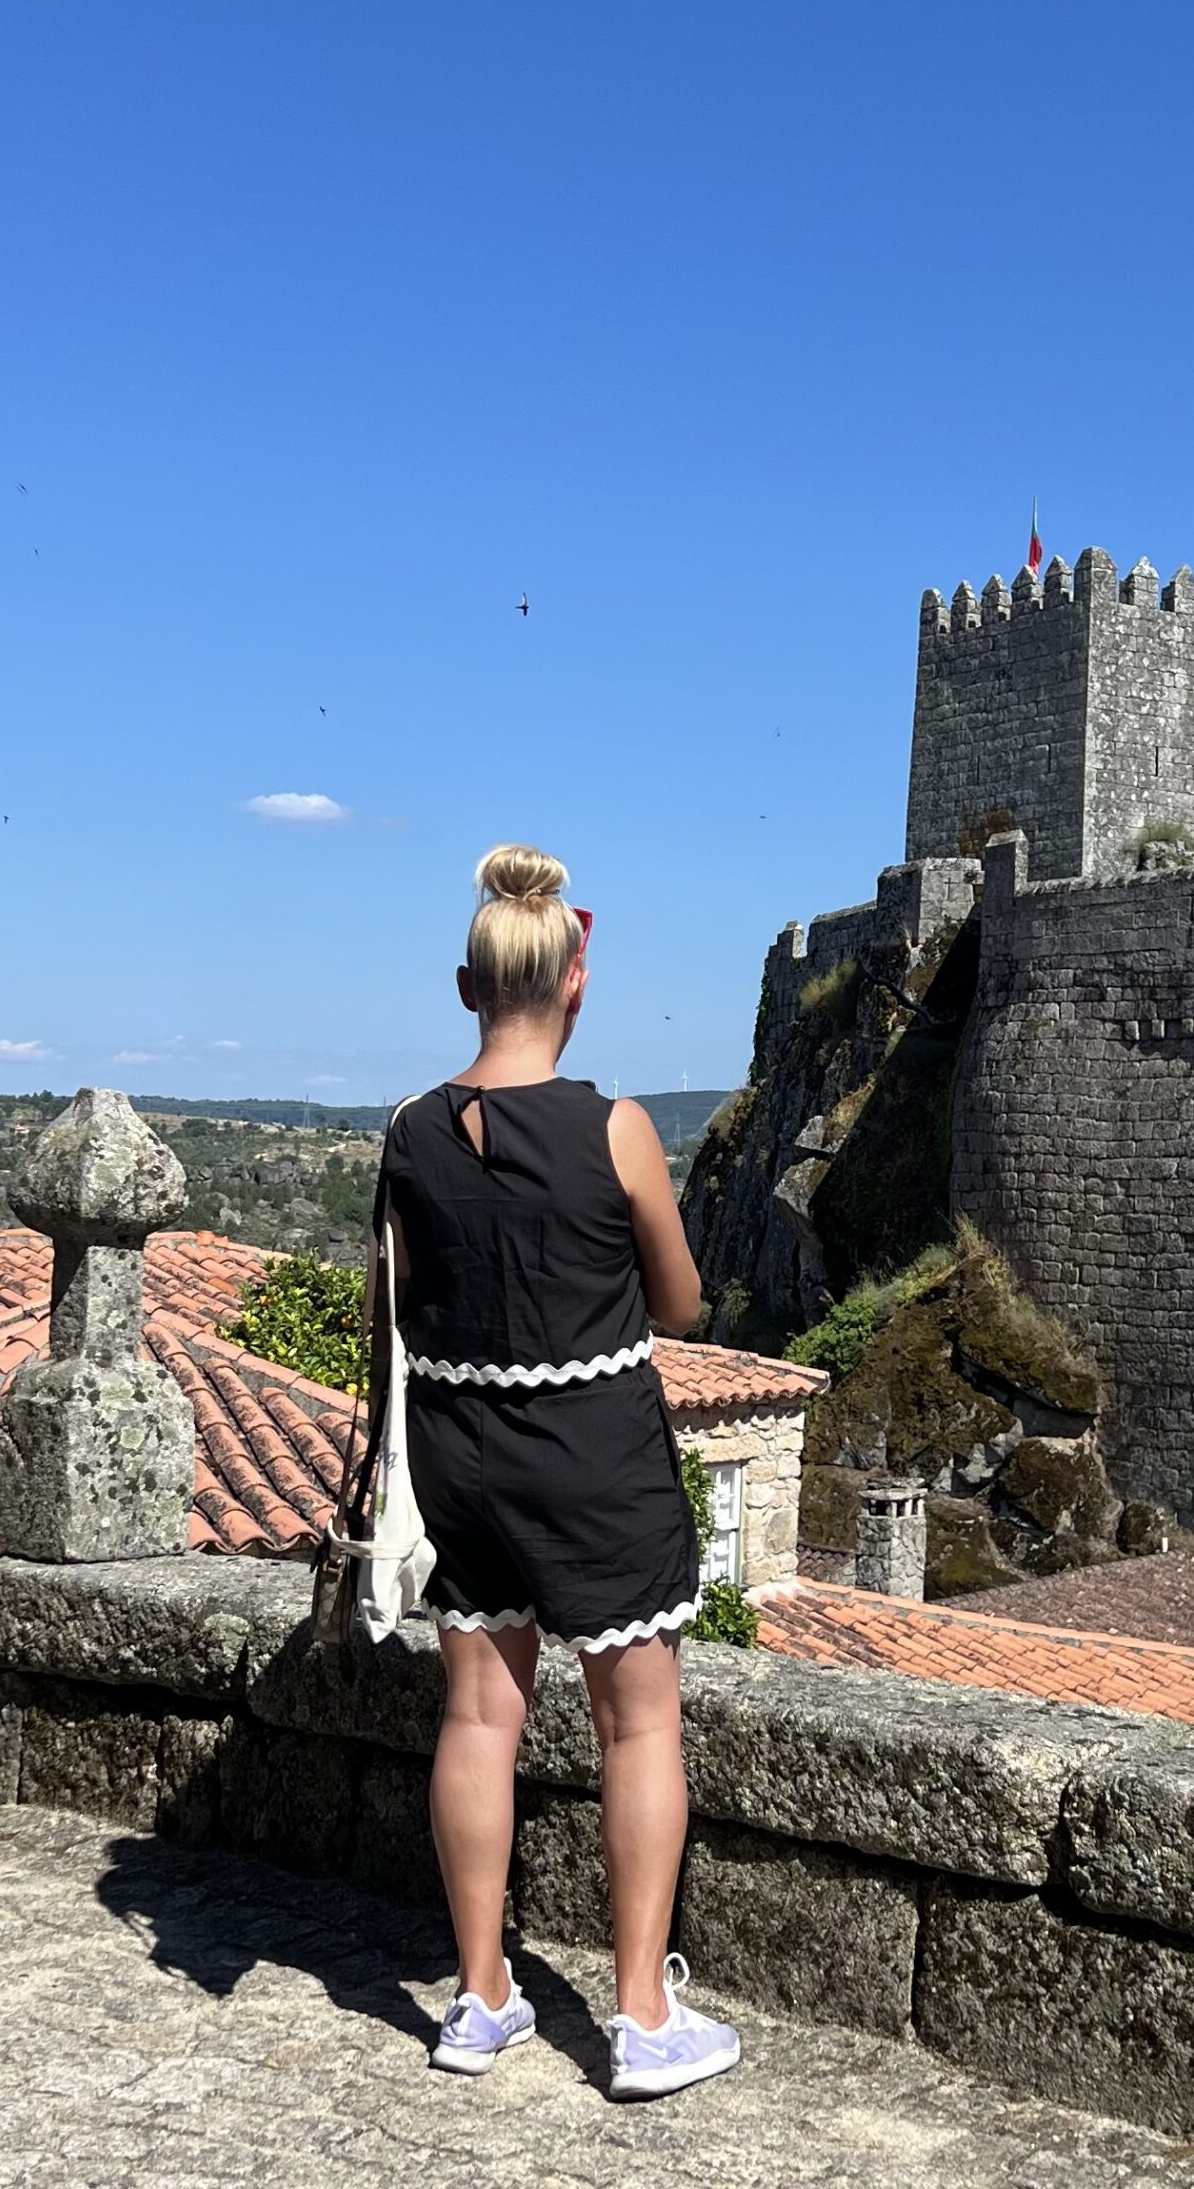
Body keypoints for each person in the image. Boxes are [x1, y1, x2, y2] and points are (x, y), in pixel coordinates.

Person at [373, 843, 739, 2099]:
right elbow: (683, 1303)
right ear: (574, 985)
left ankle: (479, 2000)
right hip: (597, 1453)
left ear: (465, 986)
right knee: (639, 1724)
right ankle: (640, 2021)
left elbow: (408, 1298)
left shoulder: (411, 1134)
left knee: (479, 1717)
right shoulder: (618, 1127)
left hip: (459, 1454)